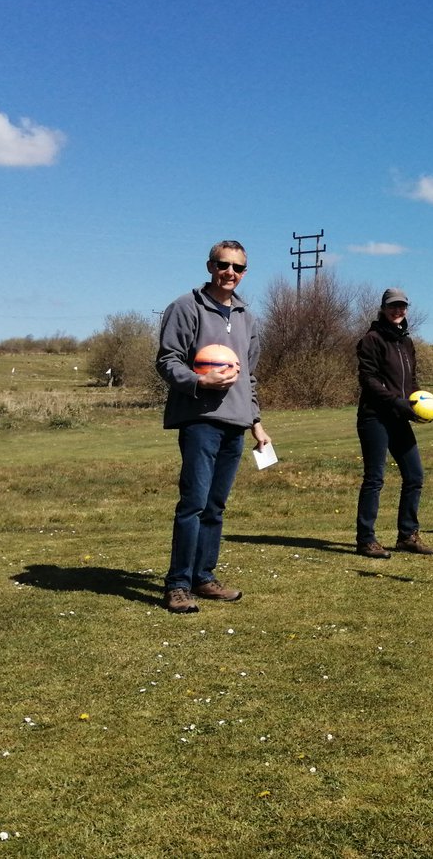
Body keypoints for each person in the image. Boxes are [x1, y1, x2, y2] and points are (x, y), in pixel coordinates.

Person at [156, 240, 271, 614]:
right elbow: (167, 360)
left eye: (238, 268)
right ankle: (178, 584)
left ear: (244, 272)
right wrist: (197, 382)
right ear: (210, 266)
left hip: (236, 424)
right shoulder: (185, 308)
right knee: (193, 503)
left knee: (216, 506)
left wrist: (256, 422)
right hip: (199, 421)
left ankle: (204, 578)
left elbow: (248, 376)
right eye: (224, 265)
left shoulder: (246, 317)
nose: (230, 273)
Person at [355, 287, 433, 558]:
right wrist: (397, 402)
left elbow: (411, 381)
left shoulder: (407, 342)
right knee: (375, 479)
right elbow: (370, 381)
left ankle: (407, 536)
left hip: (400, 416)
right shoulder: (372, 339)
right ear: (383, 308)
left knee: (415, 476)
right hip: (374, 417)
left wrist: (418, 404)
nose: (397, 310)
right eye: (393, 306)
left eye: (402, 306)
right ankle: (366, 539)